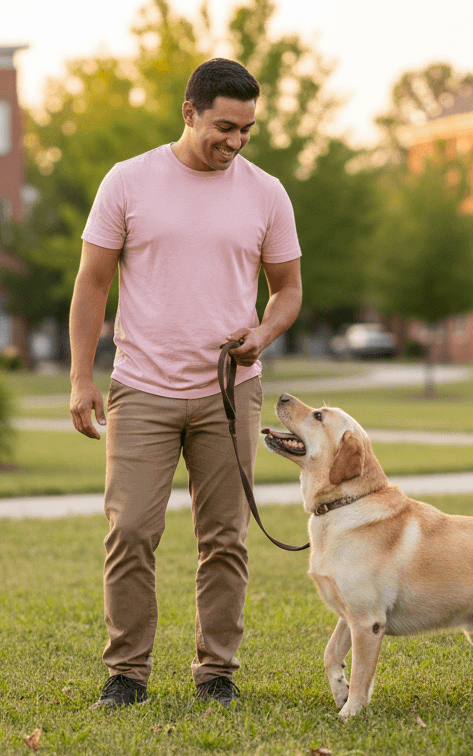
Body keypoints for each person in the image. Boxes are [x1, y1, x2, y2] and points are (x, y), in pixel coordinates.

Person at [69, 58, 303, 710]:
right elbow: (92, 282)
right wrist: (81, 377)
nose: (235, 141)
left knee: (225, 537)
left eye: (247, 130)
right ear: (189, 112)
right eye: (224, 127)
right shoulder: (128, 181)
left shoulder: (266, 193)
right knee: (131, 531)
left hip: (230, 390)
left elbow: (287, 291)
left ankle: (216, 672)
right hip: (141, 387)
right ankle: (126, 674)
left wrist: (264, 332)